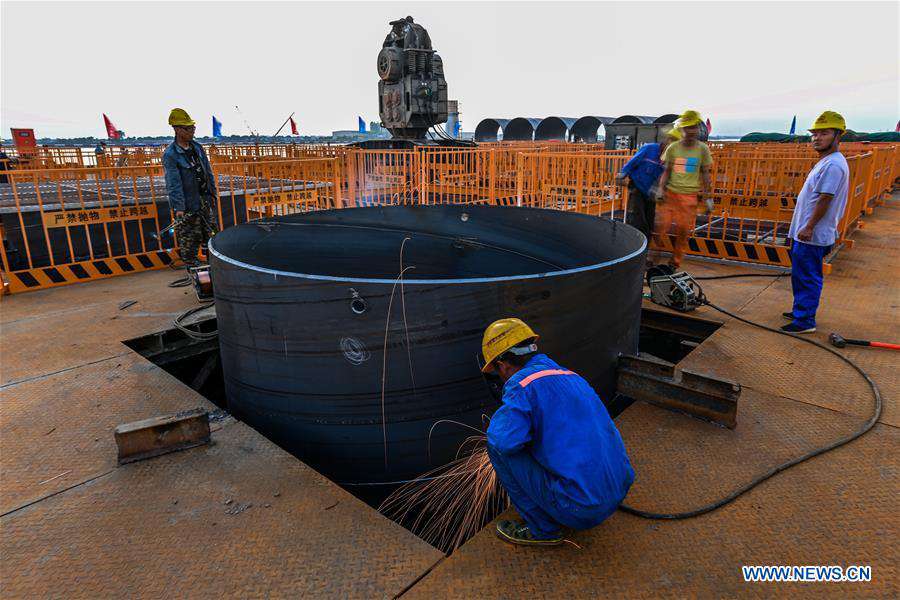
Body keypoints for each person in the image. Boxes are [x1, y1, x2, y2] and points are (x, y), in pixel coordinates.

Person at [481, 318, 635, 546]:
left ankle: (542, 531)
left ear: (503, 365)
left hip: (581, 509)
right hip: (618, 489)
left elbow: (504, 442)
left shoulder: (520, 385)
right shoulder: (572, 377)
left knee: (497, 448)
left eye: (497, 371)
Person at [781, 111, 850, 334]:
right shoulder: (827, 161)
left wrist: (809, 227)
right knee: (801, 273)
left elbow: (825, 199)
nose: (817, 138)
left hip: (813, 234)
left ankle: (805, 321)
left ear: (838, 136)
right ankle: (800, 309)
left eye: (824, 133)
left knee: (808, 275)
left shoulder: (833, 165)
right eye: (815, 134)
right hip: (806, 231)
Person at [655, 110, 714, 269]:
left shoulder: (702, 149)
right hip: (670, 194)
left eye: (693, 127)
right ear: (682, 130)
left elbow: (705, 174)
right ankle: (652, 259)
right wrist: (661, 189)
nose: (690, 131)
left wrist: (708, 198)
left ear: (698, 129)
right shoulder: (673, 148)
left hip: (689, 196)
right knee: (661, 227)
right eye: (687, 128)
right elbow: (666, 171)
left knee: (683, 231)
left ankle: (675, 262)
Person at [162, 108, 218, 270]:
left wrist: (213, 193)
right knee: (190, 238)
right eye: (189, 128)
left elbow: (208, 172)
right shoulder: (171, 154)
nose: (192, 131)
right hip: (187, 204)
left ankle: (213, 267)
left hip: (205, 200)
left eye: (193, 128)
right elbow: (173, 184)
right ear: (178, 130)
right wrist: (179, 207)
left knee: (211, 234)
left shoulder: (198, 148)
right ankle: (193, 270)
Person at [616, 127, 682, 241]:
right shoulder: (649, 149)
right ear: (668, 140)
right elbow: (633, 162)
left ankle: (645, 247)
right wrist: (622, 174)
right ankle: (633, 243)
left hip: (652, 192)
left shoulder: (671, 159)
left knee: (649, 220)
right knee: (637, 218)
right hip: (637, 186)